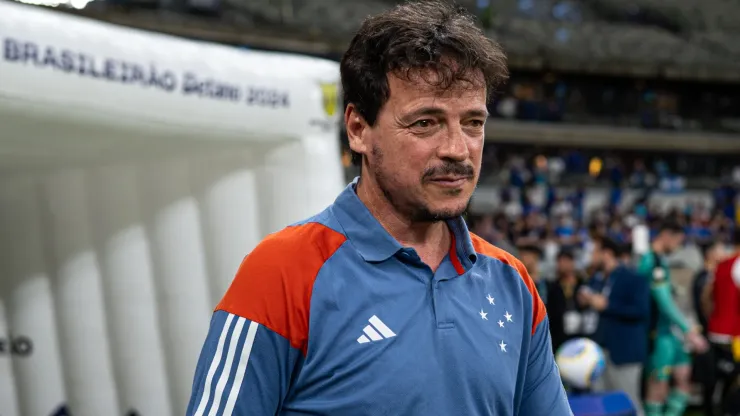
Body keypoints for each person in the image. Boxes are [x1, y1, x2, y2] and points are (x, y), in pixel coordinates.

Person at [186, 2, 572, 415]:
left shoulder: (511, 284)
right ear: (358, 129)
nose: (458, 149)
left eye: (473, 122)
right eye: (425, 122)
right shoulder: (283, 271)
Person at [639, 220, 709, 416]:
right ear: (666, 236)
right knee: (658, 384)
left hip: (670, 331)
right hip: (657, 333)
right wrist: (688, 330)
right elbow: (662, 300)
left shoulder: (661, 260)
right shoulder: (650, 260)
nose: (678, 247)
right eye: (678, 241)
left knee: (683, 376)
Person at [580, 237, 650, 414]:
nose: (590, 256)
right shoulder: (597, 279)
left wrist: (608, 306)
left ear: (607, 253)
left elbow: (641, 311)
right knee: (601, 403)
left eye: (594, 252)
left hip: (624, 352)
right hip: (600, 351)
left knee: (628, 402)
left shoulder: (633, 278)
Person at [704, 230, 740, 415]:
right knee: (731, 385)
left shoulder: (722, 264)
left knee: (719, 382)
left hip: (717, 330)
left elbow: (706, 298)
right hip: (734, 336)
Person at [547, 248, 587, 353]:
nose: (562, 264)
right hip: (559, 338)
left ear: (572, 263)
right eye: (559, 261)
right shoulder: (553, 288)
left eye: (565, 261)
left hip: (581, 337)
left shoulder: (583, 285)